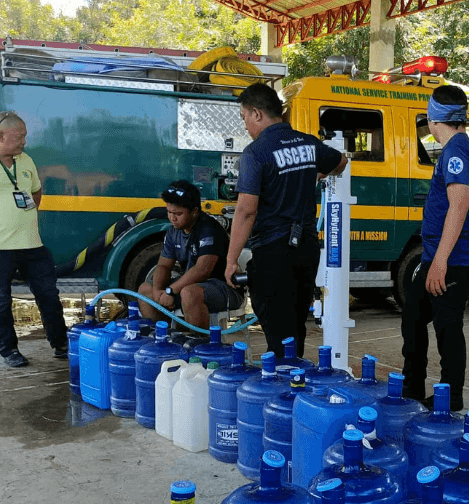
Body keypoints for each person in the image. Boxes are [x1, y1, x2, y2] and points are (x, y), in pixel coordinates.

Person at [225, 83, 347, 358]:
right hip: (306, 249)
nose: (245, 126)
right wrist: (315, 176)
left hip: (274, 250)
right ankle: (294, 382)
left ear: (257, 114)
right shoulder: (308, 143)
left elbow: (246, 210)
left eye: (244, 117)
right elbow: (341, 162)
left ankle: (280, 389)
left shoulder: (256, 153)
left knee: (276, 331)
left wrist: (231, 260)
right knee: (294, 327)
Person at [0, 111, 68, 368]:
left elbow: (36, 193)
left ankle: (60, 344)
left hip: (32, 244)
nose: (23, 142)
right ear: (0, 135)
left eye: (25, 137)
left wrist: (22, 217)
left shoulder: (25, 160)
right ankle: (9, 350)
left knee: (49, 295)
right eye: (19, 137)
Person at [400, 85, 469, 412]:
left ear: (434, 121)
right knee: (414, 316)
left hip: (454, 258)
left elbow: (459, 207)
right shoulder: (461, 147)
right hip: (441, 254)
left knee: (447, 326)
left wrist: (440, 263)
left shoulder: (455, 151)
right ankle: (411, 389)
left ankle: (450, 397)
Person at [138, 180, 243, 330]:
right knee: (145, 290)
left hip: (225, 288)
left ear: (194, 211)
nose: (172, 218)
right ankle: (162, 342)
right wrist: (157, 292)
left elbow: (202, 270)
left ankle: (200, 346)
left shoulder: (209, 228)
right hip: (189, 286)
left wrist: (170, 291)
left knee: (189, 293)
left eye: (178, 214)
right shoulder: (173, 230)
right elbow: (163, 265)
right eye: (169, 212)